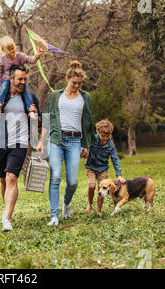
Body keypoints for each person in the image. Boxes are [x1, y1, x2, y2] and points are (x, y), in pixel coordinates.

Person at [36, 60, 95, 226]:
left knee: (73, 182)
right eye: (74, 83)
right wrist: (41, 141)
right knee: (55, 177)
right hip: (57, 139)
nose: (77, 86)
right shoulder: (55, 96)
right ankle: (54, 215)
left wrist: (86, 144)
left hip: (75, 141)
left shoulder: (85, 98)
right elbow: (47, 120)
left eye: (80, 83)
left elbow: (88, 122)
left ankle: (66, 202)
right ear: (67, 79)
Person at [0, 65, 41, 231]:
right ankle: (6, 210)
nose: (23, 82)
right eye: (20, 79)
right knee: (3, 178)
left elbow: (38, 120)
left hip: (20, 142)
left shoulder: (29, 97)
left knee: (11, 177)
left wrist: (35, 116)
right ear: (11, 79)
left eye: (25, 79)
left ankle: (7, 219)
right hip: (1, 141)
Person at [0, 36, 44, 119]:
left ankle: (31, 110)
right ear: (4, 51)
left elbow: (30, 60)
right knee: (3, 88)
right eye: (9, 49)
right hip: (6, 79)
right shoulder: (2, 60)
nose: (12, 50)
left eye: (13, 48)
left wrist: (37, 56)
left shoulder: (20, 56)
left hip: (18, 80)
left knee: (26, 89)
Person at [85, 119, 126, 216]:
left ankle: (99, 209)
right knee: (92, 186)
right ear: (98, 132)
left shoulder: (110, 144)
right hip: (90, 167)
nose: (104, 138)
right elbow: (84, 147)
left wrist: (119, 175)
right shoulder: (92, 139)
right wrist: (84, 151)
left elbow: (115, 158)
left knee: (102, 189)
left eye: (107, 136)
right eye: (102, 136)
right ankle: (90, 204)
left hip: (102, 169)